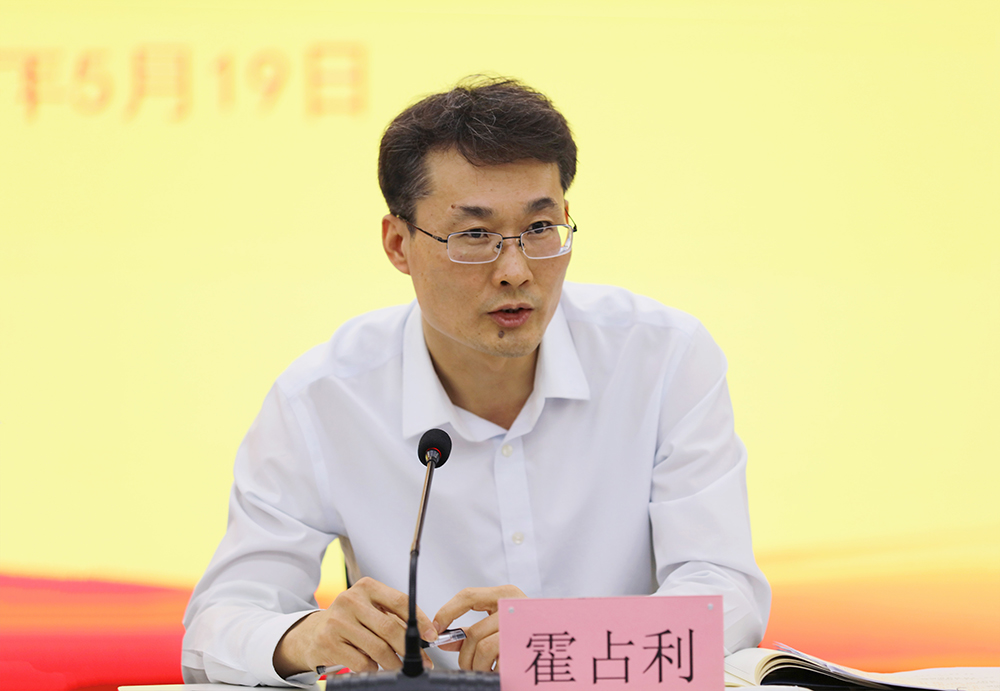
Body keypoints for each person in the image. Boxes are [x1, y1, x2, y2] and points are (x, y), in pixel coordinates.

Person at [181, 76, 771, 686]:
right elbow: (217, 625)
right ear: (398, 244)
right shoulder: (323, 397)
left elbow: (725, 593)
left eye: (540, 228)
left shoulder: (663, 358)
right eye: (474, 235)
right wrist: (306, 637)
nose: (516, 270)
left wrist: (566, 645)